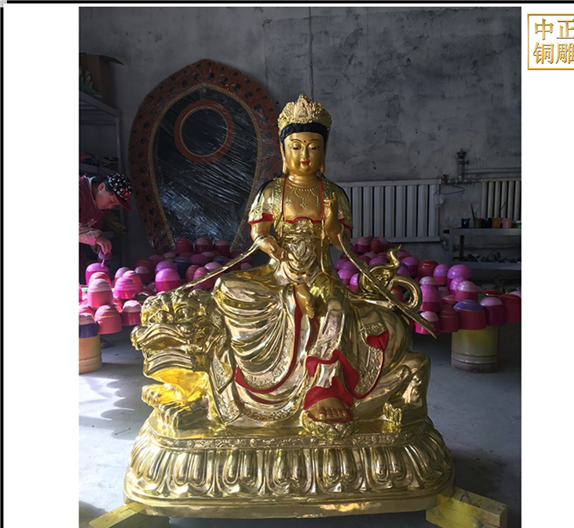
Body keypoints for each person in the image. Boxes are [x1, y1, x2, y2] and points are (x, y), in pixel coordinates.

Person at [134, 94, 433, 440]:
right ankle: (281, 323)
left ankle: (325, 389)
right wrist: (274, 249)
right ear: (283, 151)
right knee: (225, 287)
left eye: (313, 147)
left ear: (324, 152)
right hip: (278, 276)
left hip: (321, 276)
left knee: (335, 308)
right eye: (296, 147)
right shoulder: (274, 192)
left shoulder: (333, 194)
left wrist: (332, 225)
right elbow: (259, 234)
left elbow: (342, 244)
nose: (305, 155)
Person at [79, 172, 132, 255]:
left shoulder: (101, 205)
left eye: (115, 205)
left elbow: (94, 225)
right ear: (101, 187)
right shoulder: (79, 190)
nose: (110, 207)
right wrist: (96, 237)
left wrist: (94, 243)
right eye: (111, 201)